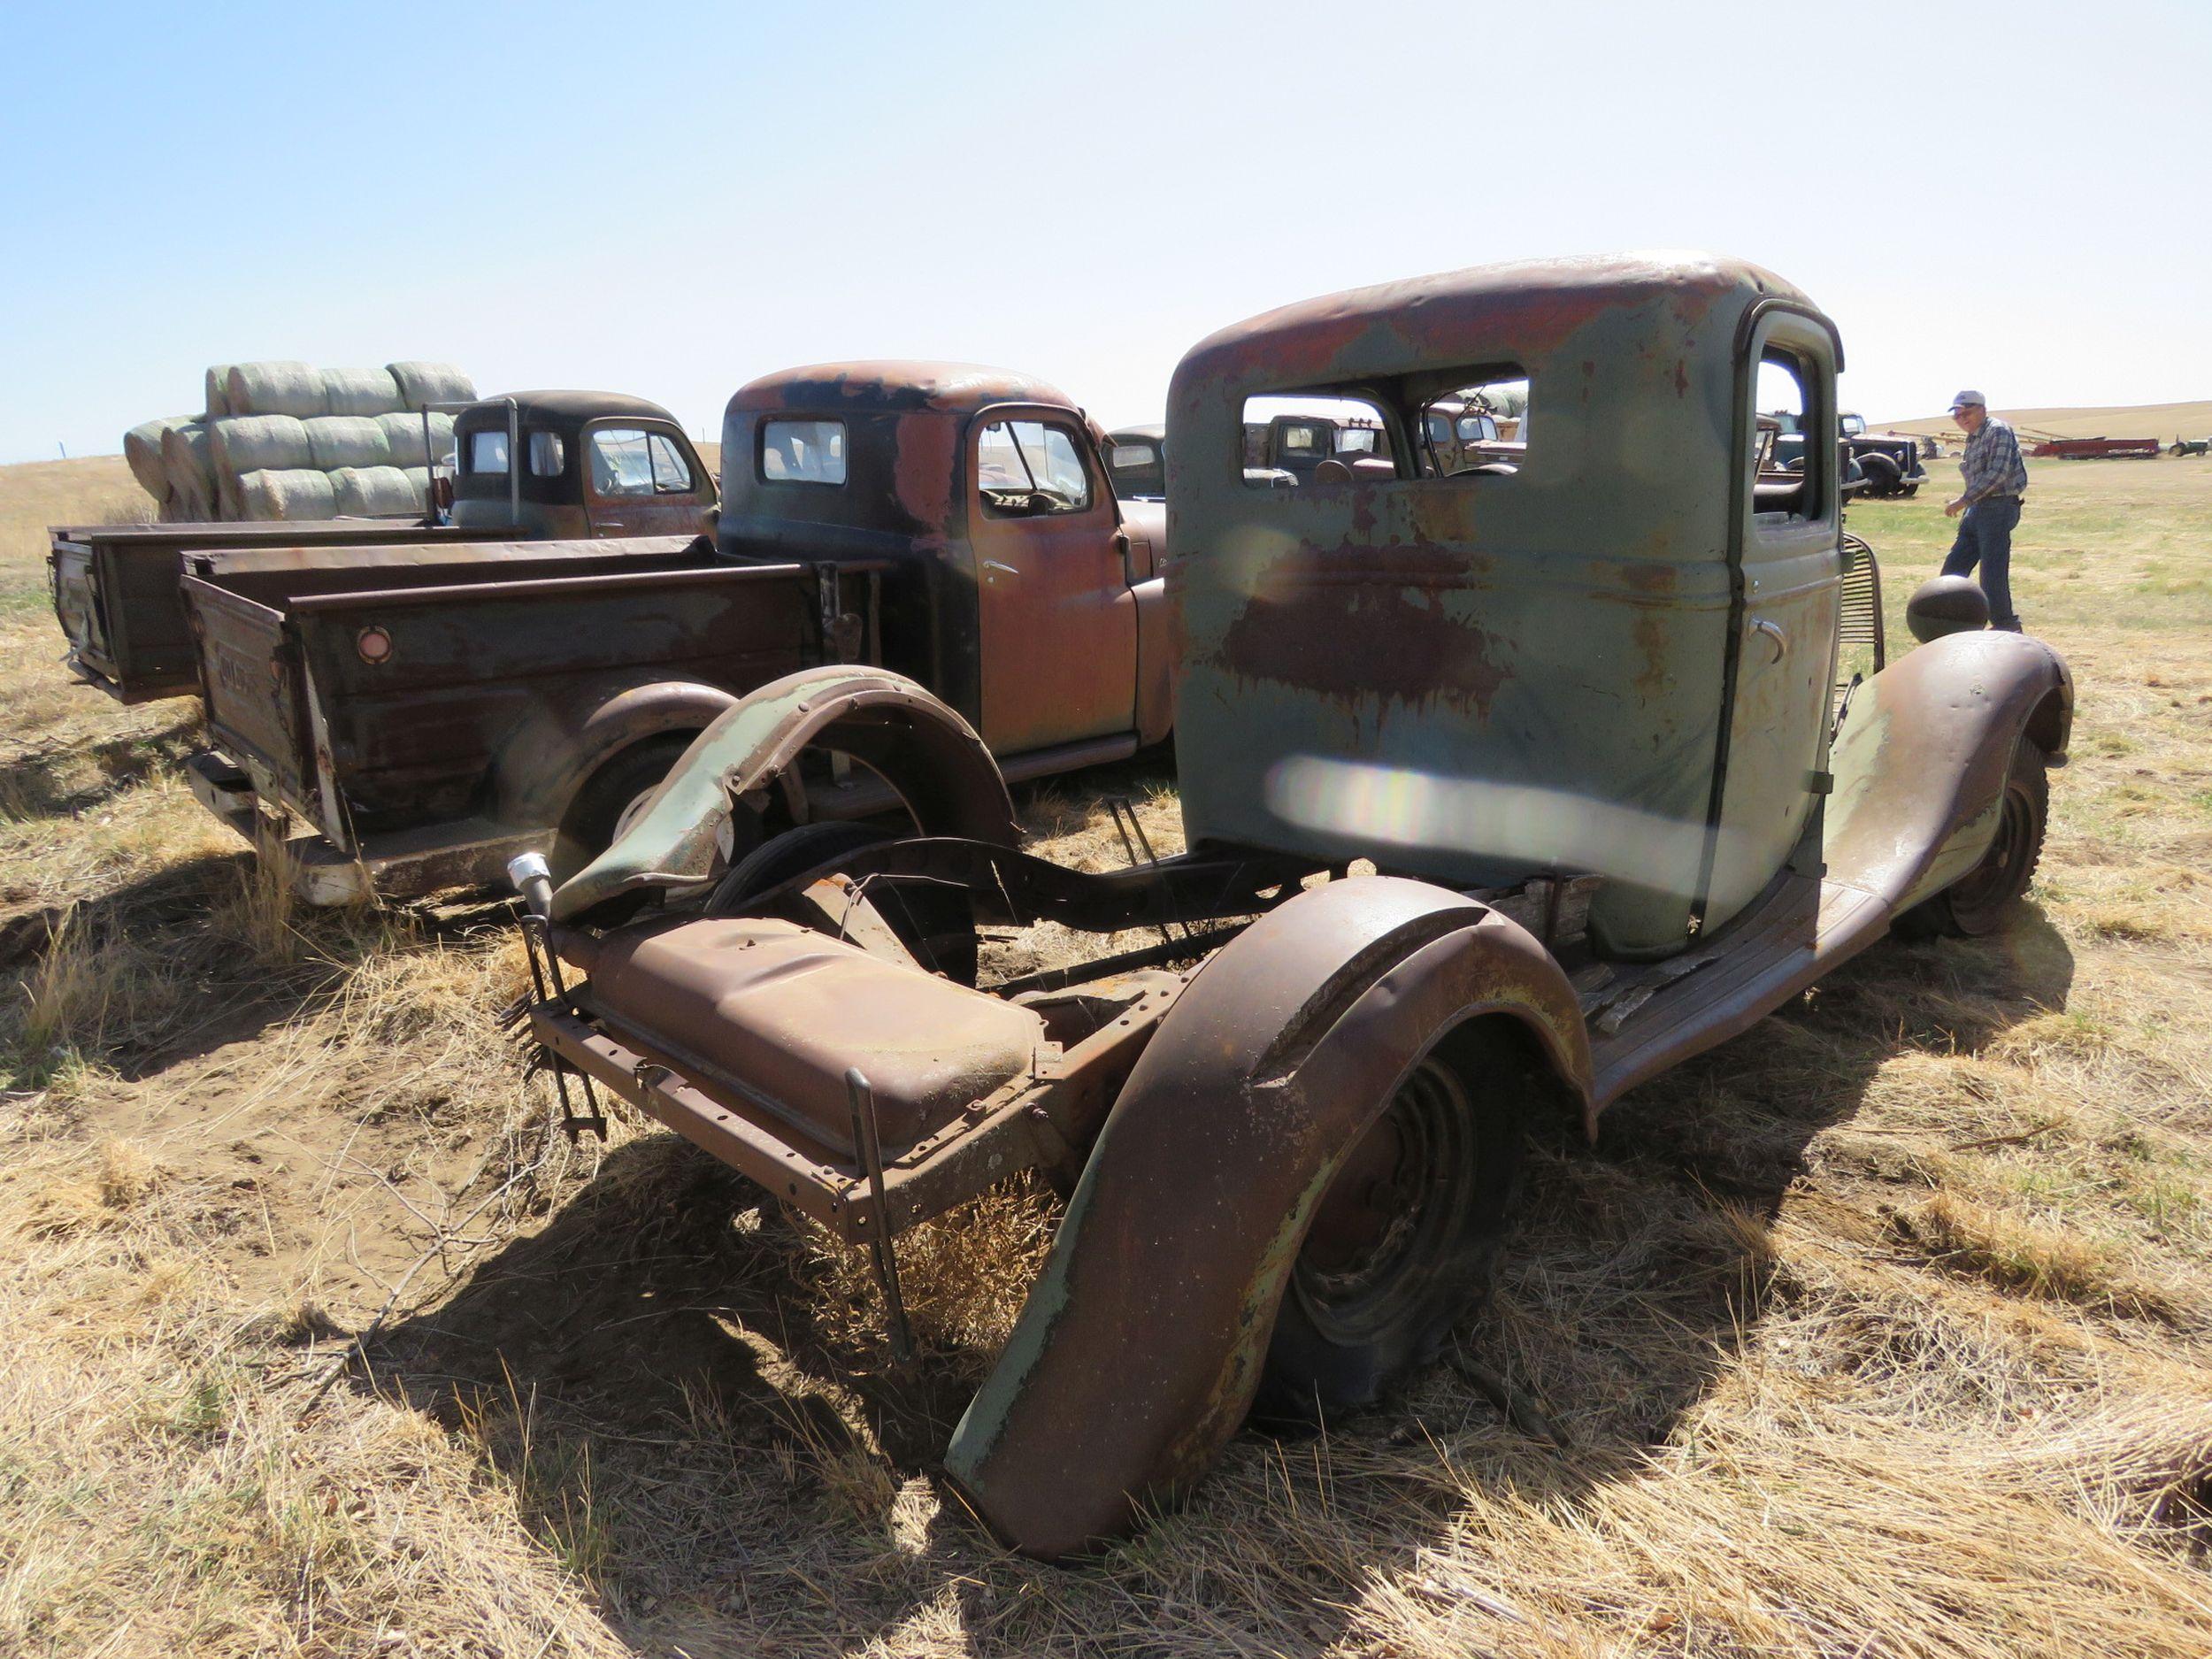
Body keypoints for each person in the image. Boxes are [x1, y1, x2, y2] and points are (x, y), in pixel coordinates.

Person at [1939, 390, 2029, 631]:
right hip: (1978, 508)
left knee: (1991, 574)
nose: (1962, 419)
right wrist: (1968, 502)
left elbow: (1997, 474)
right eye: (1957, 416)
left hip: (1998, 507)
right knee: (1953, 570)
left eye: (1966, 413)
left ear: (1982, 409)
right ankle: (1949, 623)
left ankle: (2006, 626)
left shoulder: (1997, 431)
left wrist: (1963, 500)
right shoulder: (1974, 437)